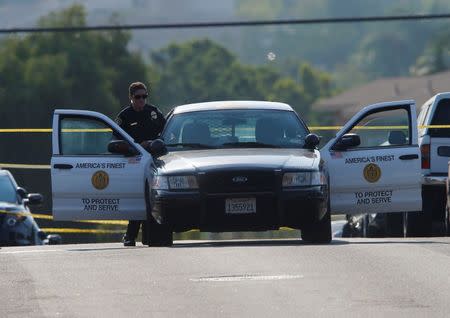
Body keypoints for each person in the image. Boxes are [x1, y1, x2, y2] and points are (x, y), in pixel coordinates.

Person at [116, 82, 166, 246]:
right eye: (138, 97)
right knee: (139, 197)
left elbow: (166, 132)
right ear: (131, 97)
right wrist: (138, 146)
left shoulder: (153, 113)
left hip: (154, 160)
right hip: (134, 161)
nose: (142, 100)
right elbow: (116, 141)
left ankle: (149, 235)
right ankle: (130, 235)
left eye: (144, 96)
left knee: (153, 196)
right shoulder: (124, 117)